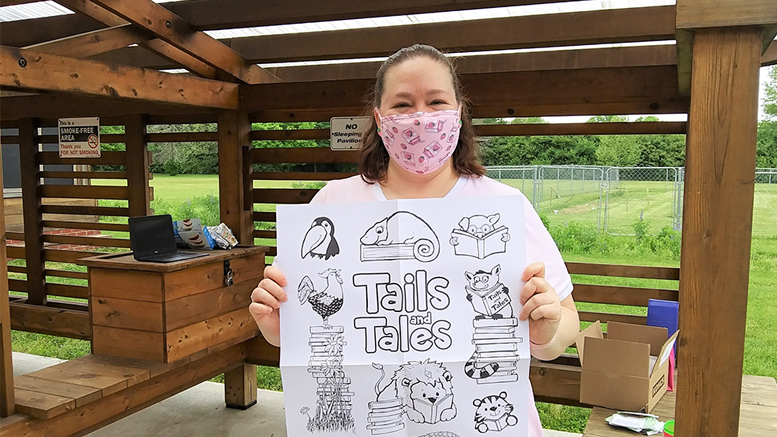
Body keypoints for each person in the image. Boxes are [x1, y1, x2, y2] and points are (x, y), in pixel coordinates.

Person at [249, 44, 580, 436]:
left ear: (459, 111)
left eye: (436, 101)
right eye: (403, 105)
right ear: (379, 117)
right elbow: (306, 333)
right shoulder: (333, 204)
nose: (421, 117)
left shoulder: (502, 204)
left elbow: (565, 322)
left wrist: (546, 332)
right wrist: (276, 324)